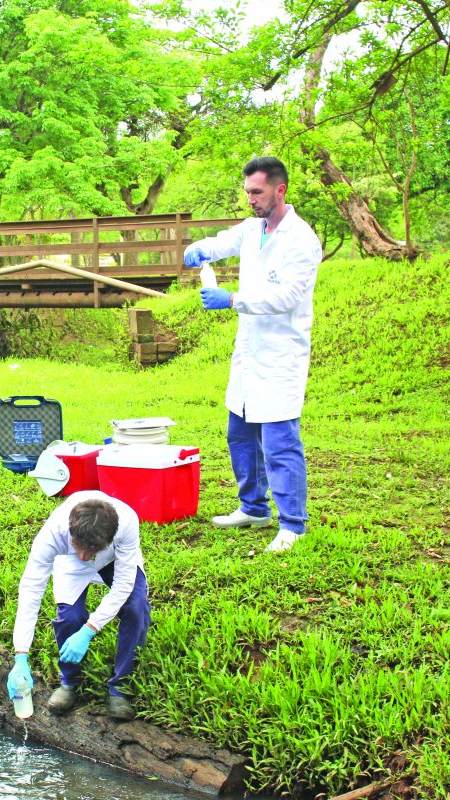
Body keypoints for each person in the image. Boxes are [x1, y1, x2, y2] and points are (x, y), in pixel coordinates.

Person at [183, 156, 323, 552]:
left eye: (257, 192)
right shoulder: (252, 228)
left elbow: (288, 296)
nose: (250, 199)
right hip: (249, 350)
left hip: (281, 353)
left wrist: (233, 299)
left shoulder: (301, 239)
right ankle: (254, 507)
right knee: (240, 434)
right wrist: (199, 248)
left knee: (280, 443)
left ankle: (292, 524)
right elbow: (223, 241)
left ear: (280, 190)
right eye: (247, 192)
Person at [6, 490, 150, 722]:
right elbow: (31, 589)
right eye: (79, 546)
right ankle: (69, 682)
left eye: (90, 551)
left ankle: (120, 687)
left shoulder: (127, 522)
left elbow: (123, 585)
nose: (84, 556)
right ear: (71, 532)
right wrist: (21, 654)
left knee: (136, 607)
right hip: (68, 563)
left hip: (113, 558)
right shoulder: (53, 535)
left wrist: (89, 630)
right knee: (70, 617)